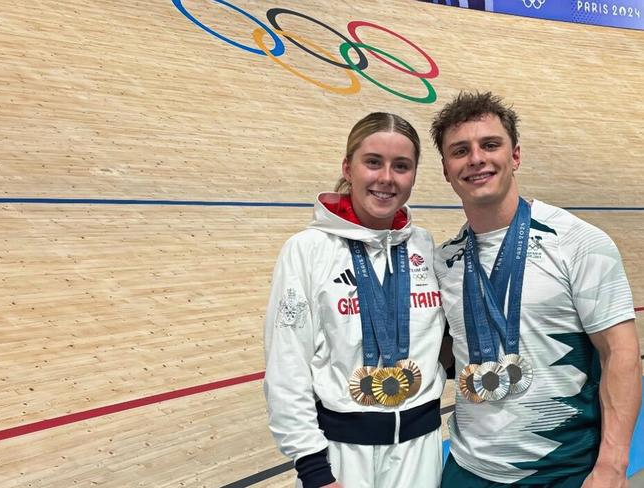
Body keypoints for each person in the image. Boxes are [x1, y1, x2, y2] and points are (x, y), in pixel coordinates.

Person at [430, 91, 641, 487]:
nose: (476, 158)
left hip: (564, 471)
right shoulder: (444, 261)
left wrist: (612, 465)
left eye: (490, 145)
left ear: (515, 156)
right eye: (460, 150)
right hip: (468, 470)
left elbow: (621, 351)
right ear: (446, 169)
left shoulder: (578, 242)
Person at [264, 112, 447, 488]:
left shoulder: (425, 247)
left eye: (401, 166)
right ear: (348, 168)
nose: (386, 178)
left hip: (420, 449)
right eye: (373, 162)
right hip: (341, 456)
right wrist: (314, 471)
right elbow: (287, 365)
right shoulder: (307, 250)